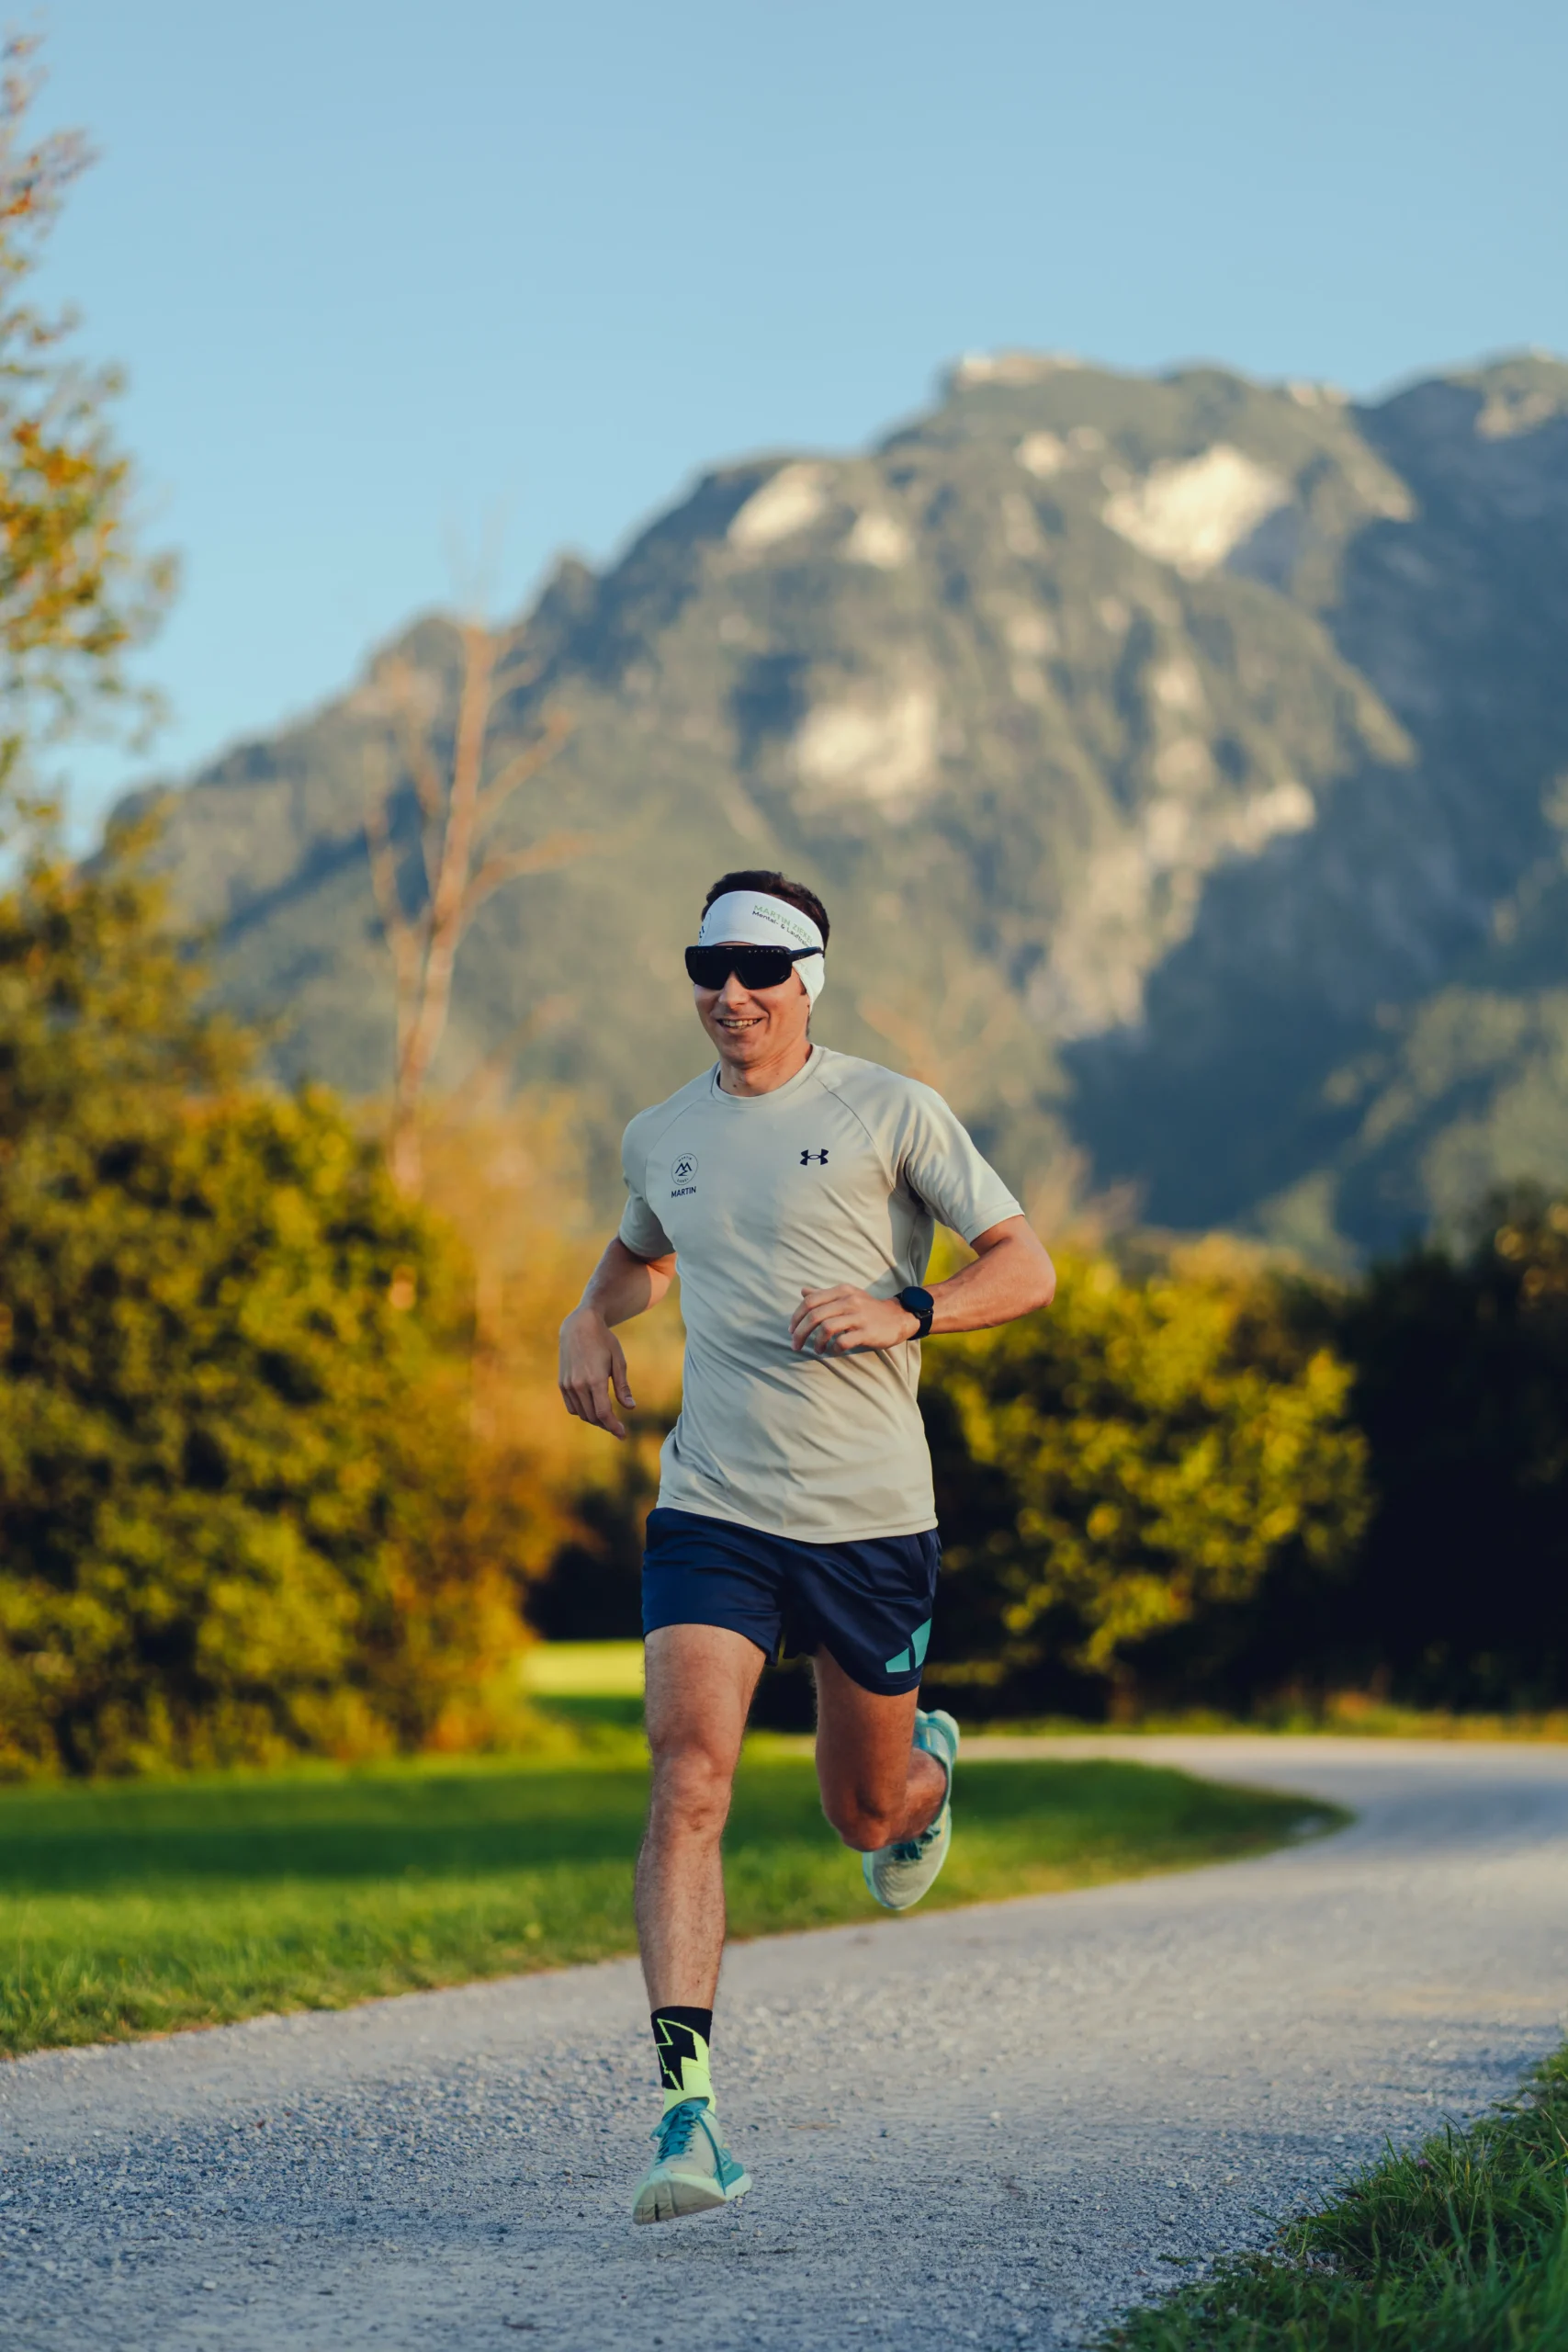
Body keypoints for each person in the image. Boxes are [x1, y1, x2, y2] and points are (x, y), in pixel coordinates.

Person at [558, 869, 1056, 2225]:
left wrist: (913, 1308)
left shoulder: (891, 1110)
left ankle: (924, 1780)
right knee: (689, 1772)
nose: (728, 992)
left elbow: (1026, 1265)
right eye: (705, 965)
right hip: (713, 1507)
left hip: (868, 1520)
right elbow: (641, 1258)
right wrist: (583, 1320)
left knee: (862, 1812)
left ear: (807, 981)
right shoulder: (658, 1131)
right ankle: (687, 2113)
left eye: (757, 970)